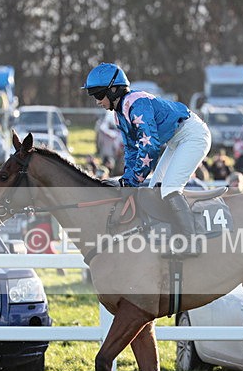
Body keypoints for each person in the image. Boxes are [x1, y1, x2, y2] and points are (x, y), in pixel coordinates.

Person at [82, 62, 211, 255]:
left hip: (193, 135)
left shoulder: (136, 103)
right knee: (154, 189)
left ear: (114, 90)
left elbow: (149, 147)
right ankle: (167, 236)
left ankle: (190, 242)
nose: (98, 101)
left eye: (99, 95)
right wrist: (126, 180)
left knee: (169, 189)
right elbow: (132, 151)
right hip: (176, 140)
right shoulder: (120, 115)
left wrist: (133, 181)